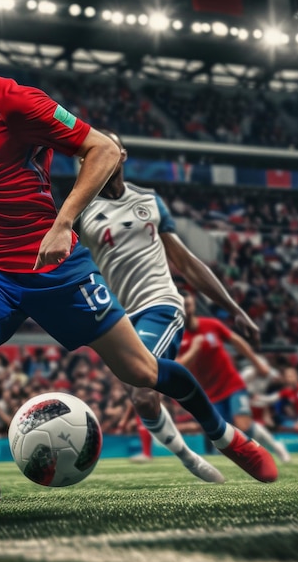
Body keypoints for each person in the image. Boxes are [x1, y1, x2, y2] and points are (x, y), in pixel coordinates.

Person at [0, 0, 277, 519]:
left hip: (53, 266)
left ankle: (225, 435)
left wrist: (61, 225)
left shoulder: (18, 102)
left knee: (145, 373)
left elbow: (101, 148)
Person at [78, 130, 227, 482]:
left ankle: (220, 439)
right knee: (142, 400)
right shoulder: (80, 213)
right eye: (87, 154)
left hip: (160, 302)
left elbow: (186, 261)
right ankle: (188, 456)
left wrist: (232, 306)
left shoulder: (149, 200)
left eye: (107, 147)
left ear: (122, 154)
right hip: (115, 318)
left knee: (144, 390)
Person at [178, 292, 291, 462]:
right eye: (182, 306)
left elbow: (237, 341)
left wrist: (257, 363)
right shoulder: (177, 337)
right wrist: (194, 350)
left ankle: (276, 447)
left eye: (188, 305)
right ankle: (251, 458)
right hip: (210, 393)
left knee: (243, 424)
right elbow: (178, 366)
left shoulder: (212, 325)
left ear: (193, 305)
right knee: (223, 433)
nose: (186, 309)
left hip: (232, 384)